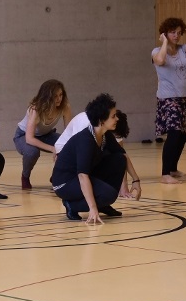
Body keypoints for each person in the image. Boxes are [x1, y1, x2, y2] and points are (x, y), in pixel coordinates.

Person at [51, 94, 140, 224]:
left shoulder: (105, 135)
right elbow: (82, 175)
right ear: (101, 120)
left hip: (80, 177)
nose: (117, 118)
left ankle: (102, 204)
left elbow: (124, 155)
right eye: (113, 116)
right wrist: (93, 208)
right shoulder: (86, 140)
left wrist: (136, 180)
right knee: (109, 195)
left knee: (119, 159)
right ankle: (72, 205)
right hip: (65, 183)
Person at [152, 17, 186, 183]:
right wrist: (165, 42)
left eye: (179, 33)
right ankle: (165, 174)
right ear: (165, 33)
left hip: (185, 97)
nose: (176, 36)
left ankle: (172, 168)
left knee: (184, 134)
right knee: (174, 133)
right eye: (172, 32)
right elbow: (160, 60)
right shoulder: (156, 51)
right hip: (169, 98)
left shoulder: (183, 49)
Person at [13, 80, 70, 190]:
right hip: (24, 135)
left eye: (61, 95)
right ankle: (25, 176)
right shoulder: (36, 109)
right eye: (55, 96)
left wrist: (61, 148)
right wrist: (53, 148)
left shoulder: (65, 106)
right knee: (32, 152)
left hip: (46, 134)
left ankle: (56, 177)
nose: (59, 99)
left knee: (67, 146)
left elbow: (69, 132)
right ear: (47, 96)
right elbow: (29, 139)